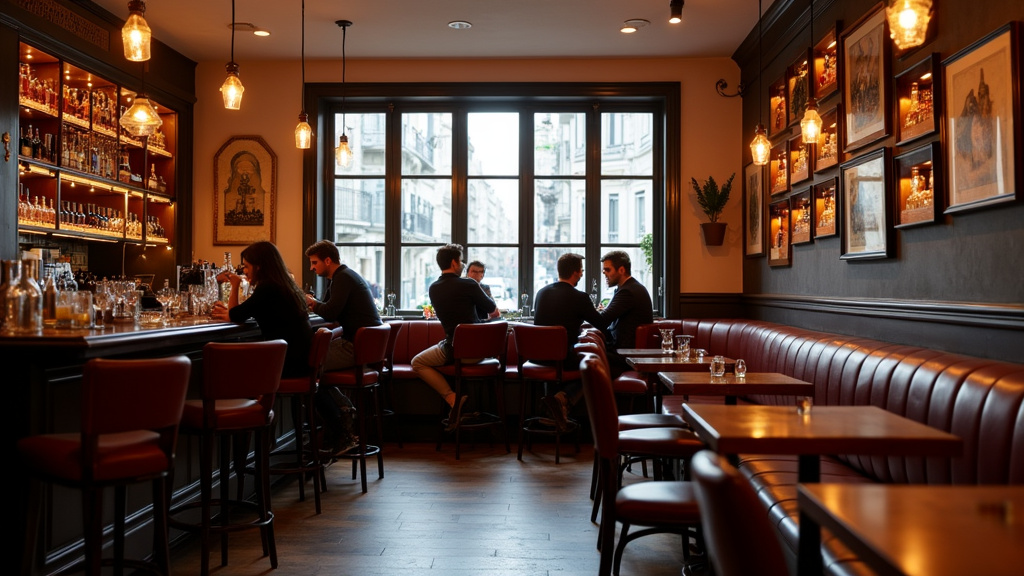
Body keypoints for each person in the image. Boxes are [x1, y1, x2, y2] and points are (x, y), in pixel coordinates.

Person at [412, 243, 500, 431]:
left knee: (417, 362)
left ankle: (452, 398)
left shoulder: (434, 288)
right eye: (460, 261)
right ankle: (460, 402)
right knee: (420, 360)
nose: (462, 264)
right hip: (479, 352)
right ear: (454, 262)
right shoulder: (469, 284)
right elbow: (492, 310)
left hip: (454, 350)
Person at [211, 241, 312, 378]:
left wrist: (235, 285)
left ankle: (249, 399)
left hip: (285, 365)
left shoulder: (267, 288)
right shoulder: (284, 284)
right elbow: (240, 312)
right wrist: (231, 312)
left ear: (258, 267)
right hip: (299, 361)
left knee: (222, 365)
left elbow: (235, 315)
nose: (244, 271)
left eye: (246, 266)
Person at [533, 253, 608, 431]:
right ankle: (562, 398)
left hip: (535, 357)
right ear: (575, 273)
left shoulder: (541, 293)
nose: (582, 274)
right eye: (581, 270)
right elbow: (601, 324)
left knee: (557, 358)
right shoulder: (580, 297)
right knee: (593, 368)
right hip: (561, 359)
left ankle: (549, 412)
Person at [304, 239, 383, 371]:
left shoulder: (342, 278)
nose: (311, 268)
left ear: (328, 261)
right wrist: (316, 304)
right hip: (366, 346)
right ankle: (333, 393)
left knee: (305, 361)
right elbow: (328, 307)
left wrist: (312, 303)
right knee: (310, 356)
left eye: (314, 262)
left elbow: (330, 313)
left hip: (356, 348)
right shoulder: (341, 275)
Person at [598, 250, 653, 375]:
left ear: (621, 270)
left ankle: (567, 393)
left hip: (628, 355)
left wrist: (584, 311)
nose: (604, 273)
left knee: (588, 358)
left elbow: (603, 320)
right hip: (623, 351)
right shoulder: (627, 288)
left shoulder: (628, 291)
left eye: (608, 270)